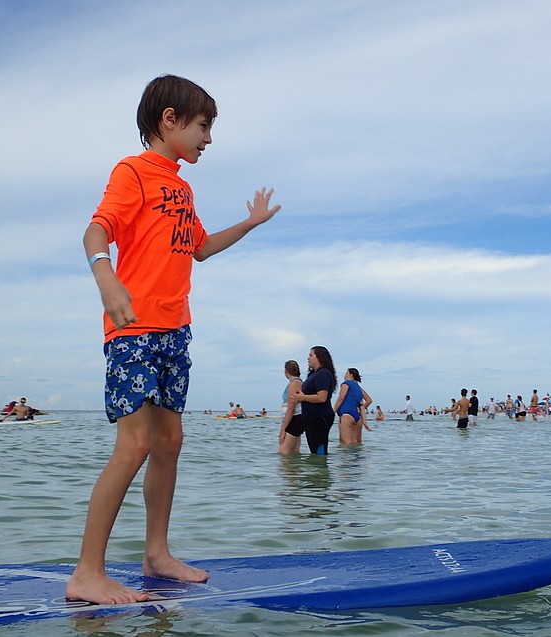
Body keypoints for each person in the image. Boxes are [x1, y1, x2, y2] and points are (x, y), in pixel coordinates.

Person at [66, 74, 282, 605]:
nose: (208, 138)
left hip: (174, 329)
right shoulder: (133, 171)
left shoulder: (182, 188)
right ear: (170, 120)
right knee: (135, 444)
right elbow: (97, 230)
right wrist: (105, 277)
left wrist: (251, 223)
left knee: (169, 442)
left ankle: (156, 554)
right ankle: (87, 572)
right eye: (203, 126)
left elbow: (200, 247)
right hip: (133, 328)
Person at [293, 346, 337, 455]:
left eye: (311, 355)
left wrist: (303, 397)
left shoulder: (323, 373)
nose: (308, 358)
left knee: (319, 450)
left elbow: (322, 397)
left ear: (319, 357)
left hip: (320, 417)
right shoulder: (313, 374)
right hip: (311, 417)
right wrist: (300, 398)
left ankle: (321, 466)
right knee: (314, 450)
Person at [333, 368, 373, 445]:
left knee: (345, 443)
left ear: (351, 375)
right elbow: (368, 401)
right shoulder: (358, 388)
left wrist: (333, 410)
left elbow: (341, 398)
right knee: (357, 443)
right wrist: (364, 422)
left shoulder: (346, 384)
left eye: (346, 373)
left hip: (346, 415)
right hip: (358, 418)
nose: (344, 376)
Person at [279, 360, 303, 455]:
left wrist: (283, 430)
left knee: (283, 452)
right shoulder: (298, 382)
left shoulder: (294, 383)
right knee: (294, 451)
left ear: (286, 370)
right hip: (297, 418)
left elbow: (291, 408)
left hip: (294, 419)